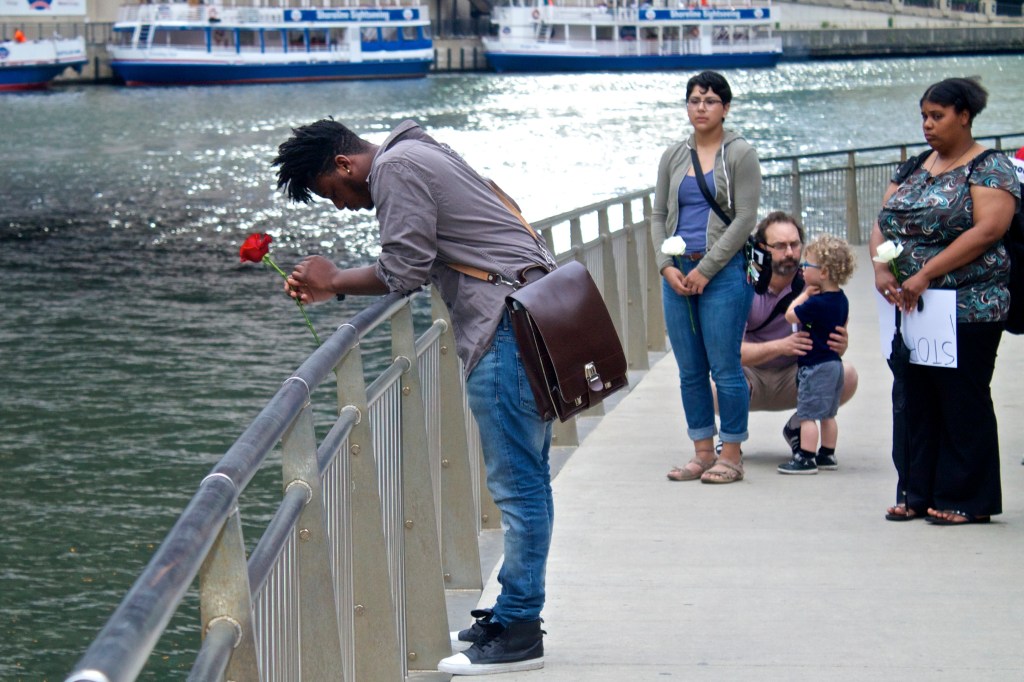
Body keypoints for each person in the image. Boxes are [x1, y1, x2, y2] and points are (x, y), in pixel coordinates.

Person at [273, 119, 558, 674]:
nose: (342, 207)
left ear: (345, 166)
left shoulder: (397, 168)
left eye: (334, 194)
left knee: (518, 489)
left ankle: (521, 630)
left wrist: (333, 279)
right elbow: (427, 254)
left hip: (503, 330)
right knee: (529, 480)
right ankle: (510, 612)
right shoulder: (420, 149)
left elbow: (403, 270)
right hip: (527, 317)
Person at [871, 77, 1019, 525]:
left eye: (937, 116)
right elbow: (884, 219)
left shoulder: (991, 167)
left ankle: (966, 497)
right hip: (914, 307)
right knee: (913, 396)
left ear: (964, 116)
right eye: (924, 116)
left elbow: (988, 230)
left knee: (961, 398)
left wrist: (927, 273)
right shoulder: (915, 166)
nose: (927, 125)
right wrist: (882, 266)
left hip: (969, 305)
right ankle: (917, 490)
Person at [655, 70, 761, 484]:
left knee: (725, 367)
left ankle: (731, 453)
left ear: (726, 108)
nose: (702, 107)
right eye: (695, 100)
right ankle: (702, 450)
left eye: (710, 100)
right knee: (689, 369)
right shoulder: (673, 155)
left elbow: (745, 219)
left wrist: (706, 269)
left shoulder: (739, 153)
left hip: (723, 272)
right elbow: (657, 215)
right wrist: (665, 265)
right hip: (678, 272)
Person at [740, 212, 859, 456]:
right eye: (780, 246)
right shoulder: (744, 281)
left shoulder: (816, 282)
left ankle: (799, 427)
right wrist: (781, 346)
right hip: (750, 374)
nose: (790, 253)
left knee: (844, 374)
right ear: (762, 248)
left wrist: (841, 344)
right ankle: (732, 436)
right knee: (710, 382)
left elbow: (835, 338)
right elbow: (731, 352)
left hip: (797, 375)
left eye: (795, 245)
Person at [777, 234, 855, 474]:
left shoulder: (815, 302)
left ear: (823, 273)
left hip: (815, 366)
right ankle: (827, 454)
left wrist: (803, 295)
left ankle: (806, 457)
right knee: (829, 414)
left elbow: (790, 315)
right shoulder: (841, 299)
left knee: (808, 414)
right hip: (834, 364)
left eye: (806, 265)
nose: (802, 269)